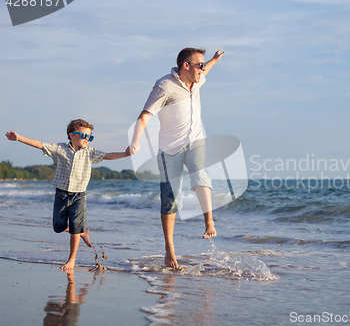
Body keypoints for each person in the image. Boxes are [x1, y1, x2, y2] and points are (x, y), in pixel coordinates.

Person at [126, 47, 224, 269]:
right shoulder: (164, 86)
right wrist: (136, 141)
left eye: (203, 65)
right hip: (170, 149)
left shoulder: (197, 79)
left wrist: (215, 60)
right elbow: (145, 114)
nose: (203, 68)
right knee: (170, 198)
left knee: (200, 172)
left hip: (196, 140)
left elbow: (207, 67)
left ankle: (209, 221)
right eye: (199, 65)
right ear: (185, 66)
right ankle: (169, 250)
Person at [5, 119, 129, 270]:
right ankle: (82, 232)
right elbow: (40, 144)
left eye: (90, 137)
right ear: (71, 135)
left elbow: (108, 155)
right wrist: (19, 138)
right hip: (61, 194)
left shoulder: (90, 153)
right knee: (58, 227)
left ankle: (72, 259)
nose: (87, 139)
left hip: (79, 196)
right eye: (84, 135)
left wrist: (126, 153)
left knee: (75, 229)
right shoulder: (60, 149)